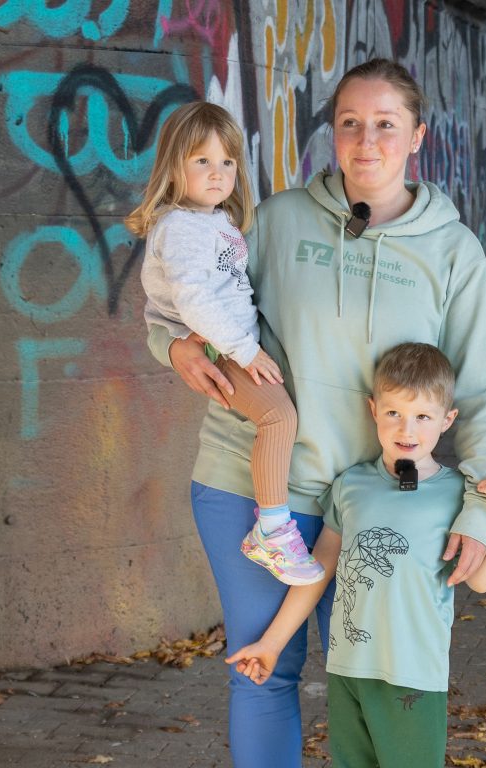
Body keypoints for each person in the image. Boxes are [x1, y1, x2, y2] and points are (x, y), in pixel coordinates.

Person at [147, 58, 486, 768]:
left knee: (371, 679)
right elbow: (183, 291)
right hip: (250, 484)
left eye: (384, 124)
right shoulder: (275, 221)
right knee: (263, 668)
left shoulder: (453, 251)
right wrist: (173, 346)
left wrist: (478, 510)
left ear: (417, 136)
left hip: (379, 500)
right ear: (332, 133)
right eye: (349, 123)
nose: (365, 141)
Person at [226, 342, 486, 768]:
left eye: (423, 416)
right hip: (348, 669)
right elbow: (319, 570)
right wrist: (272, 645)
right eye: (394, 413)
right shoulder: (351, 486)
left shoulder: (459, 494)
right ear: (373, 410)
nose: (407, 429)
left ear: (448, 420)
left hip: (413, 676)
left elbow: (480, 580)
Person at [125, 102, 325, 586]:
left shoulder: (211, 220)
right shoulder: (181, 228)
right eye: (202, 161)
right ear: (175, 165)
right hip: (220, 348)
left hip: (229, 344)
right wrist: (245, 349)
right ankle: (273, 530)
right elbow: (194, 305)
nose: (217, 174)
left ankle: (273, 525)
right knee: (278, 417)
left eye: (227, 163)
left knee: (281, 417)